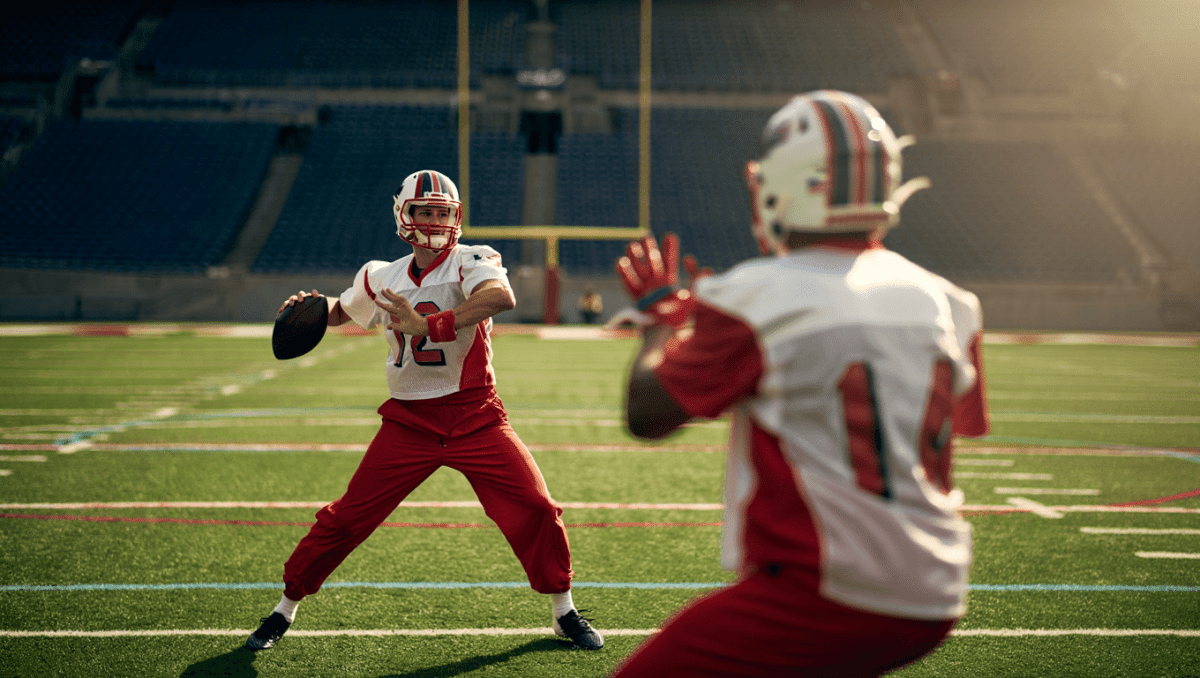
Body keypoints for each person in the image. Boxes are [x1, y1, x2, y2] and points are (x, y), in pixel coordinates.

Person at [610, 91, 989, 677]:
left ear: (784, 183)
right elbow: (952, 430)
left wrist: (660, 327)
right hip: (937, 589)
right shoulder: (951, 302)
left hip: (825, 587)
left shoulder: (756, 295)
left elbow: (647, 415)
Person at [246, 169, 603, 652]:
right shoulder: (380, 275)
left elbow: (500, 296)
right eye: (425, 211)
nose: (435, 221)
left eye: (443, 212)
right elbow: (342, 310)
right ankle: (283, 610)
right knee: (347, 519)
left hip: (475, 414)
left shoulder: (472, 259)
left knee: (536, 508)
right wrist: (311, 307)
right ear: (404, 215)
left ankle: (564, 612)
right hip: (410, 420)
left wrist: (429, 325)